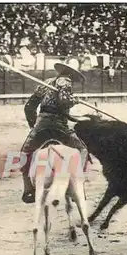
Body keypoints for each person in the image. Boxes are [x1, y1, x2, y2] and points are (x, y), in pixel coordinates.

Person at [20, 62, 89, 204]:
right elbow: (63, 101)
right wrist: (73, 101)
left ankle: (28, 189)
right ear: (71, 74)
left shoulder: (46, 83)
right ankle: (78, 187)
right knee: (82, 150)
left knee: (25, 152)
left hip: (42, 125)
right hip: (59, 127)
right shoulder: (66, 81)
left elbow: (29, 106)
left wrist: (34, 126)